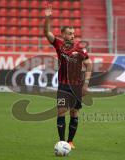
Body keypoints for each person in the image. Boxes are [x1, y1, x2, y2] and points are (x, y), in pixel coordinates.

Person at [44, 4, 92, 149]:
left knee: (74, 112)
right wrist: (47, 17)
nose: (73, 35)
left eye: (73, 33)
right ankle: (62, 141)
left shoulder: (80, 48)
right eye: (70, 33)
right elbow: (47, 33)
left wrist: (86, 84)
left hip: (77, 85)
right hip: (63, 84)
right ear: (63, 34)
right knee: (61, 111)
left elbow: (89, 65)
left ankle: (70, 141)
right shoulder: (59, 44)